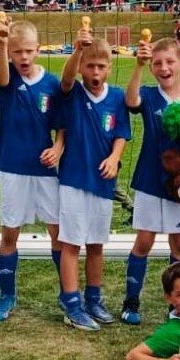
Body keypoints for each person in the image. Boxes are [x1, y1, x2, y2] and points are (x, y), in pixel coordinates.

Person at [120, 37, 180, 325]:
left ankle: (178, 306)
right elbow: (130, 101)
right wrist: (138, 66)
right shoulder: (148, 94)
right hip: (150, 181)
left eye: (170, 61)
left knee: (179, 246)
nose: (164, 68)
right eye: (157, 63)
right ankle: (131, 301)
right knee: (144, 241)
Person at [0, 18, 64, 321]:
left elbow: (62, 124)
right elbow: (1, 78)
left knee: (58, 231)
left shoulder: (52, 84)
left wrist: (58, 147)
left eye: (29, 51)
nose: (23, 57)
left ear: (38, 49)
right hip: (13, 166)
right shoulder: (7, 77)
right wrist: (2, 43)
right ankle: (6, 295)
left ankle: (68, 292)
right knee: (10, 232)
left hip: (45, 170)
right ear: (10, 53)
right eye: (17, 51)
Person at [56, 30, 130, 331]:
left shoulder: (117, 97)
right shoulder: (73, 92)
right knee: (72, 243)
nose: (95, 72)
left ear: (109, 68)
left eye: (101, 67)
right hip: (74, 179)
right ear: (82, 67)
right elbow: (66, 79)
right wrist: (77, 51)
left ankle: (93, 299)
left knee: (97, 243)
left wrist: (114, 157)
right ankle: (72, 304)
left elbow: (121, 133)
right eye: (90, 66)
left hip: (103, 181)